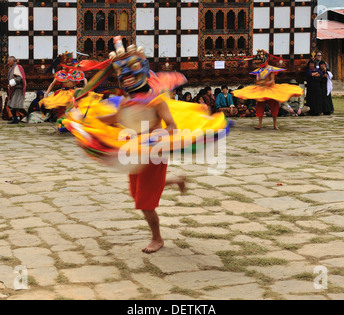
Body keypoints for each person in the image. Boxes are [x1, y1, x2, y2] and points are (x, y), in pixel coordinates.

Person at [63, 36, 230, 253]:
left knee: (144, 202)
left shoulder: (156, 101)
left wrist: (154, 138)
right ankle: (175, 180)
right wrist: (84, 120)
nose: (127, 77)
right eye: (122, 73)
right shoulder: (126, 101)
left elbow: (171, 126)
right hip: (133, 150)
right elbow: (114, 119)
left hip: (154, 152)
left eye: (131, 70)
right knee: (136, 193)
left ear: (142, 69)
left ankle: (157, 238)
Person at [233, 49, 303, 130]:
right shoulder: (258, 70)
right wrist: (260, 83)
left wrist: (266, 83)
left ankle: (275, 124)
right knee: (260, 106)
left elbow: (272, 80)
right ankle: (259, 124)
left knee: (274, 106)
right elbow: (257, 80)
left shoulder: (270, 69)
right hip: (262, 90)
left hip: (271, 89)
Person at [40, 52, 88, 129]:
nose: (67, 65)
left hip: (73, 92)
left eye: (69, 63)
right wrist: (47, 93)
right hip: (63, 93)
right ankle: (61, 126)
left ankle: (74, 125)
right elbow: (52, 83)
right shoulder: (60, 73)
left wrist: (86, 88)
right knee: (61, 109)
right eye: (65, 63)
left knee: (75, 108)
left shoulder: (75, 72)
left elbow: (84, 79)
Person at [7, 56, 28, 124]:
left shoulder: (17, 67)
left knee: (14, 105)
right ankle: (16, 119)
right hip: (14, 89)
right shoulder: (12, 67)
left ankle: (26, 116)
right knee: (13, 105)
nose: (8, 63)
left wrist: (12, 83)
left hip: (17, 89)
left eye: (9, 61)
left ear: (13, 61)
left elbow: (19, 78)